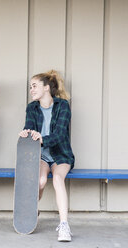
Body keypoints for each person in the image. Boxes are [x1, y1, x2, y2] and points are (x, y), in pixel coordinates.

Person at [19, 70, 75, 242]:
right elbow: (29, 126)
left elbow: (60, 135)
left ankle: (64, 225)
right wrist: (26, 133)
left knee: (58, 179)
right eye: (30, 87)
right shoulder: (32, 107)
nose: (31, 90)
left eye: (34, 86)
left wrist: (42, 139)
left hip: (61, 154)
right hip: (41, 154)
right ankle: (31, 211)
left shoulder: (62, 106)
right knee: (41, 181)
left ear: (46, 87)